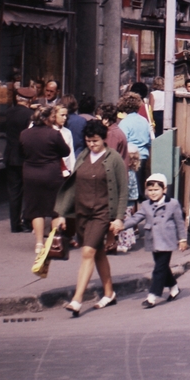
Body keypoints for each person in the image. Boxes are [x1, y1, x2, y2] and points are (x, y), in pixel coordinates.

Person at [53, 119, 129, 316]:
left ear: (103, 139)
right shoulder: (83, 156)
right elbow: (73, 185)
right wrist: (62, 213)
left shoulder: (114, 159)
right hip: (82, 213)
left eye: (95, 141)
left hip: (102, 213)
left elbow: (122, 190)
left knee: (87, 252)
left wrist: (119, 218)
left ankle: (77, 300)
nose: (92, 144)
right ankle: (109, 293)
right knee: (98, 253)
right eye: (88, 141)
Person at [123, 172, 189, 307]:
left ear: (164, 189)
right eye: (150, 190)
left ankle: (152, 296)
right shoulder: (146, 204)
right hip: (153, 240)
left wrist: (182, 239)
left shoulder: (173, 204)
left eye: (156, 190)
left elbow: (179, 222)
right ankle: (174, 288)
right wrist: (120, 226)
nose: (153, 193)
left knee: (159, 268)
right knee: (162, 266)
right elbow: (136, 218)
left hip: (167, 240)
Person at [19, 105, 70, 254]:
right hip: (51, 174)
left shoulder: (24, 134)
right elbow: (66, 152)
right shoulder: (54, 134)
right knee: (55, 210)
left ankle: (39, 243)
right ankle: (54, 242)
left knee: (36, 209)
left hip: (30, 174)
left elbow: (20, 153)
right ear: (49, 119)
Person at [3, 86, 35, 233]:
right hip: (25, 157)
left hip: (10, 156)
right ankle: (27, 221)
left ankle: (14, 224)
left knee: (14, 191)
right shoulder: (30, 115)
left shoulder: (8, 112)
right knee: (29, 191)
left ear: (17, 98)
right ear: (30, 100)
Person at [117, 93, 153, 196]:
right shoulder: (144, 120)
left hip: (130, 157)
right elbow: (149, 140)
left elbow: (123, 141)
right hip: (144, 155)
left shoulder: (124, 122)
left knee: (132, 188)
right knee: (141, 185)